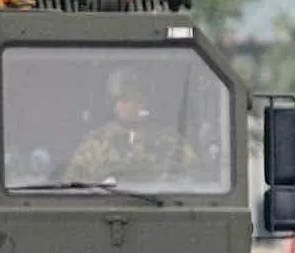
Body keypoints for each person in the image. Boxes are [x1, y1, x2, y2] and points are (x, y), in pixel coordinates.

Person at [64, 69, 201, 184]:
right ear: (113, 104)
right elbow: (74, 184)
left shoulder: (170, 141)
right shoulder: (96, 143)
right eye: (124, 100)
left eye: (138, 99)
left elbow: (196, 179)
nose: (132, 105)